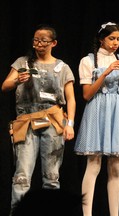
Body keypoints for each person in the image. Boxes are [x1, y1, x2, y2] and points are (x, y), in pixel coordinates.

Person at [1, 24, 76, 215]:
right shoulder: (22, 62)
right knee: (22, 176)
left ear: (53, 43)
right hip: (26, 122)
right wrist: (17, 80)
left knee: (51, 177)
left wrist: (70, 125)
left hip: (53, 121)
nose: (38, 44)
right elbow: (5, 86)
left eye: (43, 40)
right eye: (36, 40)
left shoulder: (62, 67)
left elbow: (71, 99)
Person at [74, 21, 119, 216]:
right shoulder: (89, 61)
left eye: (118, 39)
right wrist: (106, 72)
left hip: (117, 110)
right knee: (93, 165)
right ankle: (87, 213)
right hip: (97, 109)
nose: (115, 42)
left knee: (116, 168)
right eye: (111, 38)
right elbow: (86, 95)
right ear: (102, 39)